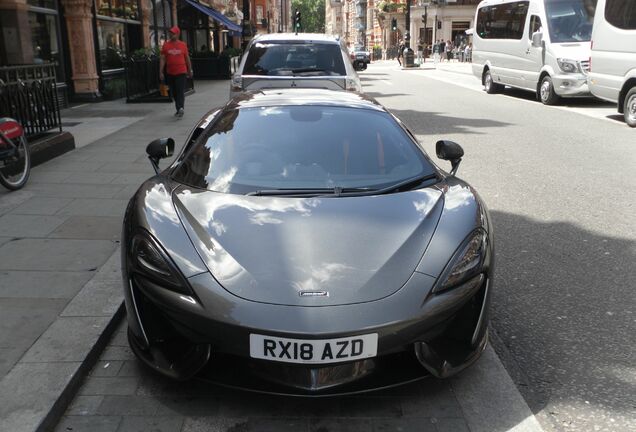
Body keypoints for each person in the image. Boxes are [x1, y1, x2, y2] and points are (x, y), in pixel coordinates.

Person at [159, 26, 192, 118]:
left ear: (177, 34)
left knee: (180, 90)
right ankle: (178, 109)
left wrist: (190, 70)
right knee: (174, 92)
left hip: (181, 71)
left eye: (173, 33)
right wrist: (161, 71)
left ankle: (181, 107)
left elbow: (187, 58)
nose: (171, 34)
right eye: (170, 33)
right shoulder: (166, 45)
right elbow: (162, 59)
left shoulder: (183, 45)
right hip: (170, 72)